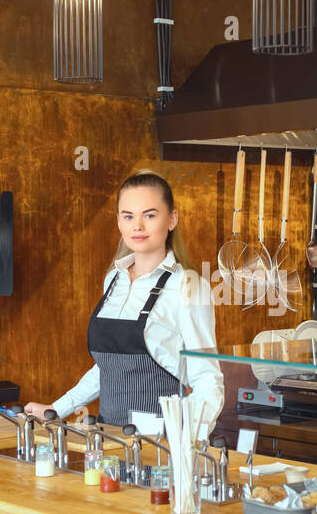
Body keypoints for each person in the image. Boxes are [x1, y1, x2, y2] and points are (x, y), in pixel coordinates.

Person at [23, 171, 224, 430]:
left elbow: (208, 380)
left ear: (172, 219)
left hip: (160, 443)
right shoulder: (113, 281)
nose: (137, 226)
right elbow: (109, 368)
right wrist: (58, 408)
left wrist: (184, 439)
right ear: (118, 221)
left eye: (150, 215)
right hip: (111, 439)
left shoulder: (188, 286)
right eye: (128, 216)